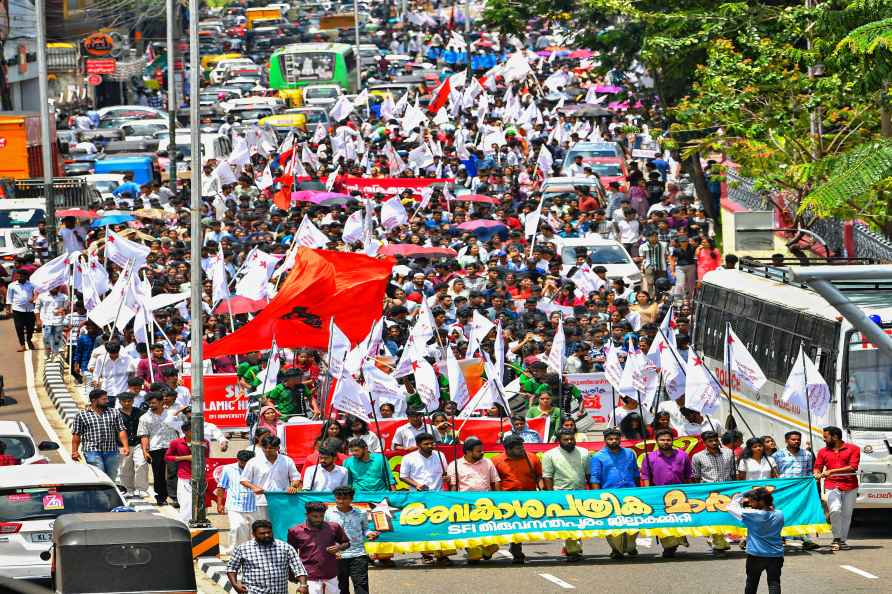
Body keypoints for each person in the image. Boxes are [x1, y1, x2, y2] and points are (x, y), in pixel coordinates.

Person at [445, 437, 501, 563]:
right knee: (468, 529)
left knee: (486, 530)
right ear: (468, 452)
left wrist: (499, 499)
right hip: (464, 503)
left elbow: (496, 481)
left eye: (482, 450)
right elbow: (453, 486)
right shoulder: (455, 465)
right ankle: (473, 552)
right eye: (478, 451)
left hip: (486, 502)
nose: (482, 453)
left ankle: (486, 550)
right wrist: (454, 504)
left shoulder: (488, 462)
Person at [589, 428, 640, 559]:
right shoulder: (598, 456)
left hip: (630, 493)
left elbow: (635, 473)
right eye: (610, 439)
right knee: (612, 523)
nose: (614, 441)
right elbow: (595, 478)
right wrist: (597, 497)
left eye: (616, 439)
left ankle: (630, 546)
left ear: (620, 439)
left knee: (633, 522)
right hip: (609, 496)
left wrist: (639, 492)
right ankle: (616, 549)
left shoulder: (629, 453)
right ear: (605, 440)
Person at [642, 428, 693, 557]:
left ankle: (679, 538)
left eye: (668, 440)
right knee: (664, 521)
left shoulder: (683, 455)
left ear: (673, 440)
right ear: (656, 441)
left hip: (680, 494)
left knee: (679, 520)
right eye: (662, 440)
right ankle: (669, 547)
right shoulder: (649, 457)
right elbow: (646, 476)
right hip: (659, 495)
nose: (665, 442)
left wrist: (689, 492)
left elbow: (688, 475)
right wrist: (649, 494)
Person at [492, 434, 542, 564]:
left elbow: (539, 477)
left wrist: (542, 494)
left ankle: (516, 546)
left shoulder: (533, 458)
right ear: (507, 449)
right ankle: (512, 548)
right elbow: (493, 481)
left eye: (522, 446)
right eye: (517, 447)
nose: (521, 449)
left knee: (522, 526)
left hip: (528, 498)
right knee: (512, 525)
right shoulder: (496, 461)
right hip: (506, 499)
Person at [542, 429, 589, 562]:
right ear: (559, 441)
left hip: (580, 493)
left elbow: (588, 474)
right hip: (560, 494)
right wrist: (551, 496)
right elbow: (547, 476)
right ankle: (573, 550)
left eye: (571, 439)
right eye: (566, 439)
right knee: (569, 523)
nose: (569, 441)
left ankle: (571, 547)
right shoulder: (549, 455)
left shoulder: (584, 453)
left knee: (578, 523)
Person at [726, 488, 785, 594]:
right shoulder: (780, 514)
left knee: (751, 584)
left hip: (756, 555)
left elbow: (730, 507)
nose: (750, 504)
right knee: (774, 583)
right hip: (776, 555)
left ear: (761, 501)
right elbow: (771, 509)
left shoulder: (752, 514)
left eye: (752, 501)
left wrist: (743, 494)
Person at [227, 520, 309, 594]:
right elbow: (232, 568)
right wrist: (235, 584)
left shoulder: (285, 547)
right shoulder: (243, 549)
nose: (267, 535)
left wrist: (303, 585)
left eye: (269, 532)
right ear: (253, 534)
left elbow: (299, 568)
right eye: (262, 533)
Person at [325, 486, 380, 594]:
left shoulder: (361, 513)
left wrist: (370, 534)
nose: (341, 501)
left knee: (361, 585)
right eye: (338, 498)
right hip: (338, 555)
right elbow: (326, 533)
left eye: (345, 498)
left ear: (351, 499)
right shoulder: (328, 513)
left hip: (358, 554)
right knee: (341, 587)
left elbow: (365, 529)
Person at [287, 501, 350, 594]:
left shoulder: (334, 527)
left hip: (331, 574)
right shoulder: (295, 531)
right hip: (309, 576)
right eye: (315, 516)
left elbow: (347, 543)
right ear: (307, 515)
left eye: (321, 516)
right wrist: (292, 573)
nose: (319, 519)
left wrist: (338, 548)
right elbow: (292, 555)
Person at [814, 425, 860, 551]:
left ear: (835, 437)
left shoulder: (854, 449)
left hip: (850, 485)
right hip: (831, 485)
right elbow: (817, 466)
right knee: (835, 510)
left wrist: (831, 471)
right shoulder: (822, 452)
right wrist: (817, 473)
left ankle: (842, 540)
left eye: (826, 437)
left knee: (847, 514)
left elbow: (853, 467)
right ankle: (836, 538)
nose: (824, 440)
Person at [691, 430, 737, 555]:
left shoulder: (729, 453)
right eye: (710, 441)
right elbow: (696, 476)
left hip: (727, 491)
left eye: (715, 440)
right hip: (708, 492)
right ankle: (718, 544)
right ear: (704, 442)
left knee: (725, 516)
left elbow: (734, 472)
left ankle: (718, 540)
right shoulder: (698, 456)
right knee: (714, 517)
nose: (714, 443)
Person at [772, 431, 818, 550]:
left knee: (801, 513)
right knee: (782, 513)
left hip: (801, 490)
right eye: (793, 439)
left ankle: (805, 538)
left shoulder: (807, 454)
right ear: (786, 440)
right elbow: (774, 473)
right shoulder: (777, 455)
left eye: (798, 439)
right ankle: (780, 537)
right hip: (784, 490)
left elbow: (809, 472)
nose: (796, 441)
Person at [241, 435, 301, 520]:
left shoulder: (287, 460)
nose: (267, 450)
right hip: (262, 501)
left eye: (271, 448)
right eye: (265, 448)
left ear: (277, 448)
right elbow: (244, 480)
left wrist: (293, 486)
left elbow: (296, 477)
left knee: (282, 525)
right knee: (264, 527)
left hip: (283, 500)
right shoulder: (253, 462)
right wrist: (254, 487)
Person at [71, 388, 128, 477]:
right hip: (92, 451)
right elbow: (76, 434)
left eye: (107, 398)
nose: (107, 401)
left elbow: (121, 430)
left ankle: (108, 491)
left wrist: (125, 446)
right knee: (100, 476)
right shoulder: (81, 415)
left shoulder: (114, 413)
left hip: (111, 451)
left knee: (111, 477)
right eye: (104, 399)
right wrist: (74, 451)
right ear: (94, 400)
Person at [137, 391, 179, 505]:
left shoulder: (172, 414)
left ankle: (175, 497)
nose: (151, 405)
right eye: (150, 403)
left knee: (173, 472)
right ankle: (161, 496)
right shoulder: (144, 418)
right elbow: (144, 435)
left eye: (154, 403)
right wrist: (145, 451)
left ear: (161, 402)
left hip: (172, 447)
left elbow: (180, 431)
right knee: (158, 473)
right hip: (156, 449)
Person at [164, 421, 209, 524]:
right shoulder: (176, 443)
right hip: (184, 476)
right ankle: (185, 523)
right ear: (185, 431)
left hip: (200, 476)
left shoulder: (204, 442)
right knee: (186, 502)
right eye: (192, 430)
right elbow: (167, 457)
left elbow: (207, 458)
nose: (196, 433)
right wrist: (185, 458)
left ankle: (199, 521)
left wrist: (201, 452)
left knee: (201, 502)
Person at [216, 450, 259, 555]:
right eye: (243, 462)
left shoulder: (258, 469)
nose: (245, 465)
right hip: (234, 505)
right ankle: (236, 552)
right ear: (238, 460)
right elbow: (221, 487)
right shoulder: (228, 469)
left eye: (247, 462)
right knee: (237, 528)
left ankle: (251, 553)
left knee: (252, 531)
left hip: (255, 505)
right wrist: (219, 504)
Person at [115, 392, 147, 496]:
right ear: (120, 402)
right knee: (124, 468)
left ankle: (141, 489)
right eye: (124, 401)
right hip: (122, 444)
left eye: (129, 401)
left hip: (138, 443)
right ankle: (128, 489)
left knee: (141, 464)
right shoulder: (115, 414)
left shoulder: (140, 412)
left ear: (133, 401)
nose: (127, 403)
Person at [6, 269, 36, 351]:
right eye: (17, 275)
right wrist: (8, 309)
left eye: (21, 275)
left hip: (30, 309)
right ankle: (22, 345)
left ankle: (29, 340)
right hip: (17, 310)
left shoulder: (31, 285)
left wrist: (33, 298)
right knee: (19, 327)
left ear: (26, 276)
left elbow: (36, 294)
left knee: (30, 327)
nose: (18, 277)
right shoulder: (12, 285)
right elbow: (9, 298)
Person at [35, 286, 67, 359]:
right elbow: (37, 309)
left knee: (57, 339)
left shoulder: (64, 297)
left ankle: (56, 354)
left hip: (58, 321)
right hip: (46, 321)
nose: (54, 289)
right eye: (52, 287)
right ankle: (47, 352)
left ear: (58, 288)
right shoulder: (42, 296)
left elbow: (66, 308)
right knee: (46, 338)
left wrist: (61, 310)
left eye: (56, 287)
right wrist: (38, 320)